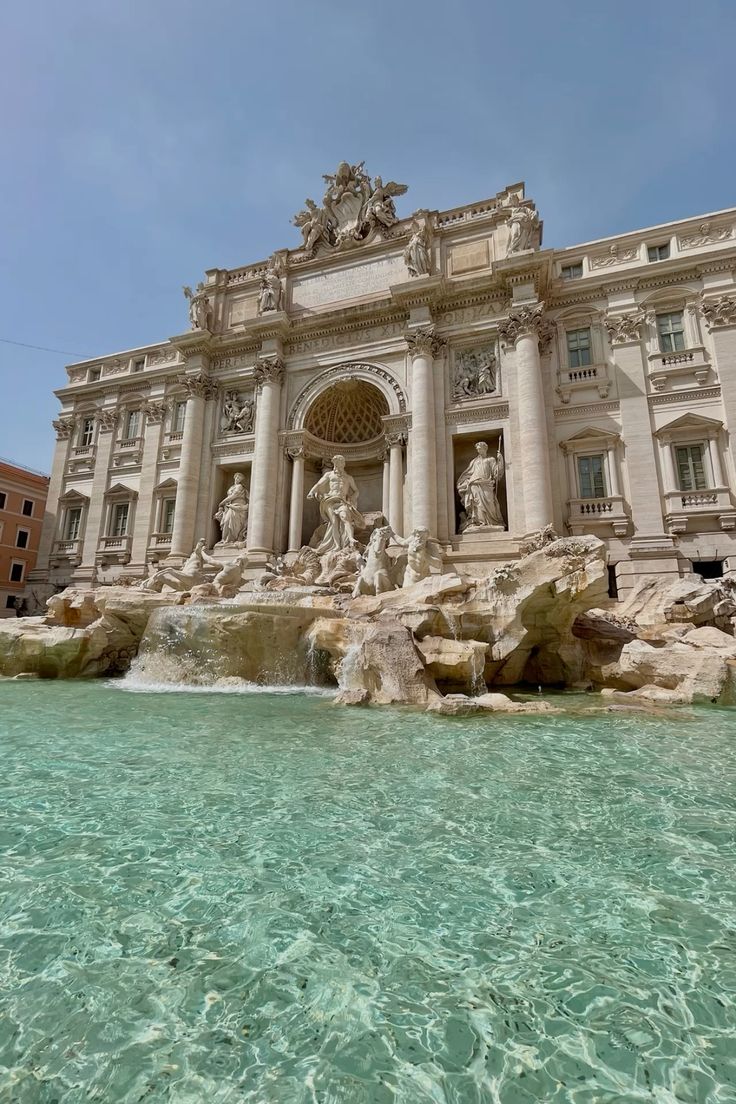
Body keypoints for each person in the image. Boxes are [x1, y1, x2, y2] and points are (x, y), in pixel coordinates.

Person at [307, 455, 363, 555]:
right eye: (336, 462)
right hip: (330, 500)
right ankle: (337, 546)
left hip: (342, 501)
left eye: (340, 462)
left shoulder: (349, 478)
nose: (338, 465)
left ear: (343, 464)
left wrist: (353, 497)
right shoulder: (329, 475)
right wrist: (311, 492)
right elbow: (319, 484)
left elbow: (356, 491)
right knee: (334, 522)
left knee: (345, 517)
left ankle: (351, 539)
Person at [457, 441, 505, 530]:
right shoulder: (474, 461)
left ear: (485, 448)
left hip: (487, 484)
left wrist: (500, 460)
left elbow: (496, 473)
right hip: (474, 484)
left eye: (480, 449)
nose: (479, 451)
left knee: (490, 502)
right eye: (477, 449)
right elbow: (469, 473)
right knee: (477, 503)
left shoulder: (491, 459)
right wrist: (466, 482)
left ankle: (492, 522)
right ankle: (479, 522)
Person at [215, 473, 249, 544]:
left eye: (239, 478)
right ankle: (225, 539)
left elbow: (235, 495)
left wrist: (223, 502)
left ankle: (232, 540)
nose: (237, 479)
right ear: (234, 478)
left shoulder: (239, 486)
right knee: (227, 522)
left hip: (238, 506)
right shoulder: (232, 487)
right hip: (230, 506)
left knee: (234, 523)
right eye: (237, 477)